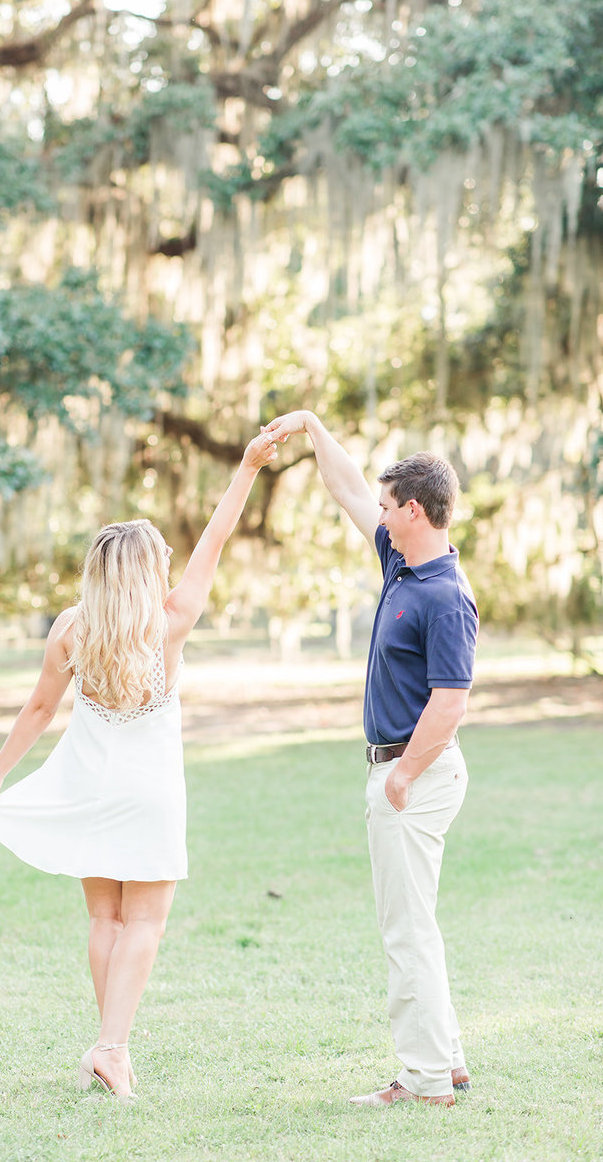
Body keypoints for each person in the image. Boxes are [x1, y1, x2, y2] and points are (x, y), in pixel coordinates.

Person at [0, 430, 277, 1101]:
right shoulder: (171, 621)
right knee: (145, 923)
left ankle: (111, 1047)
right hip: (149, 792)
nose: (169, 563)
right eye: (161, 557)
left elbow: (38, 710)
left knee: (104, 921)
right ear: (145, 571)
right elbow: (216, 538)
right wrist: (248, 467)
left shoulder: (72, 630)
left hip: (90, 788)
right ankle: (111, 1049)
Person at [263, 410, 478, 1109]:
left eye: (389, 507)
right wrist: (312, 427)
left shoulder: (446, 597)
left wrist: (403, 776)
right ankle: (446, 1061)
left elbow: (451, 702)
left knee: (405, 933)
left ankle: (423, 1081)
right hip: (402, 773)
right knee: (416, 926)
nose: (377, 514)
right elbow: (350, 488)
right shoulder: (400, 563)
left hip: (415, 775)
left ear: (414, 510)